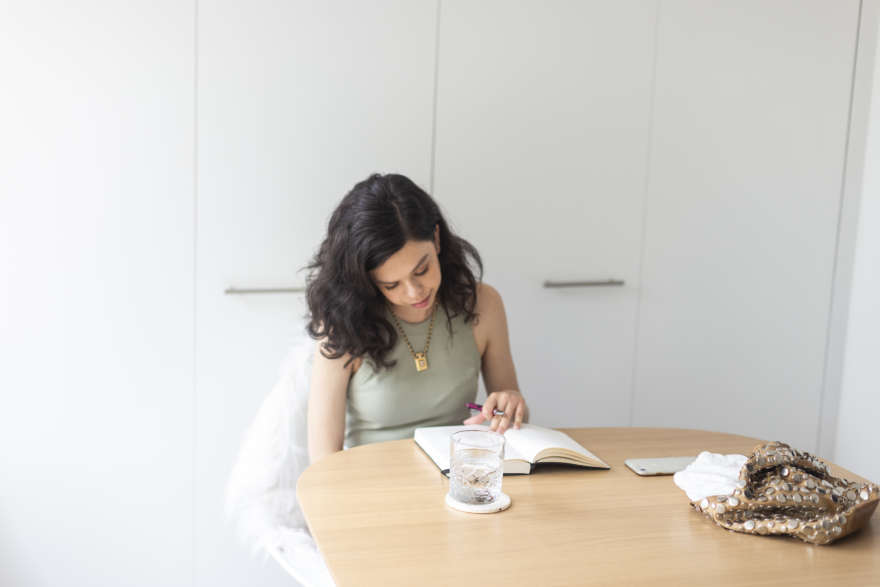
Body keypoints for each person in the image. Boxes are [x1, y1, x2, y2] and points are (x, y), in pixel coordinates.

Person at [305, 173, 529, 464]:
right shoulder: (342, 325)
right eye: (391, 285)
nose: (414, 293)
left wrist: (509, 404)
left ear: (436, 239)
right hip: (372, 489)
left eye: (421, 270)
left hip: (455, 481)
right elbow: (323, 460)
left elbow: (511, 417)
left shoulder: (483, 305)